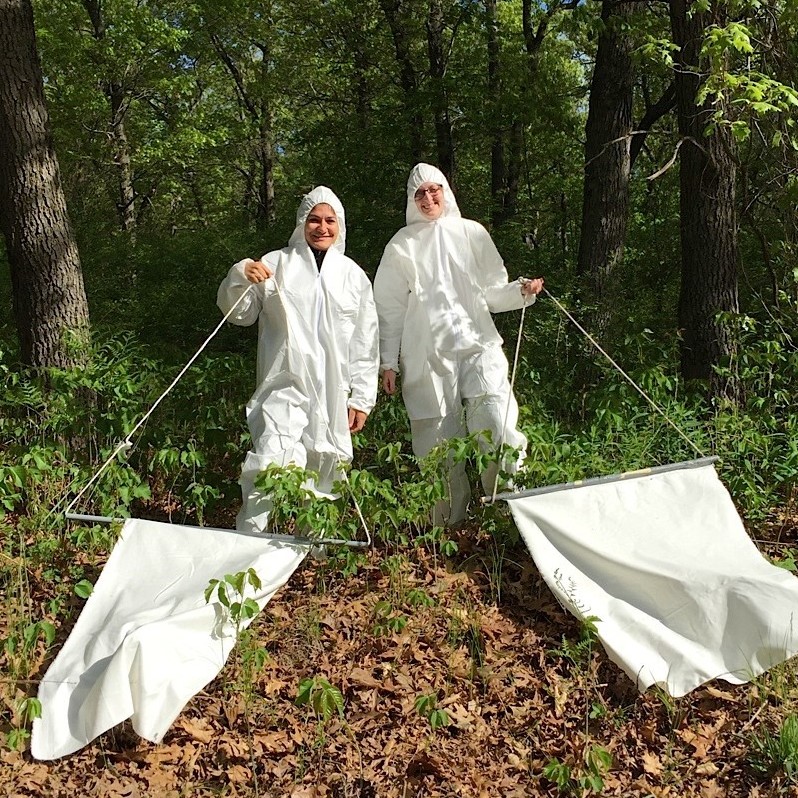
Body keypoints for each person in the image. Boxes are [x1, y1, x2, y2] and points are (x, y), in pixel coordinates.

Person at [373, 163, 544, 526]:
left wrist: (521, 291)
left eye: (434, 189)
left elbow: (494, 292)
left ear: (445, 191)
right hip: (427, 355)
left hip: (478, 344)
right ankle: (448, 528)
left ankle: (508, 516)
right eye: (420, 193)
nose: (428, 198)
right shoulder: (402, 244)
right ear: (411, 200)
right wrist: (388, 361)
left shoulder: (472, 233)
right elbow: (388, 307)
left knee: (497, 425)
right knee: (438, 442)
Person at [217, 186, 379, 534]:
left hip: (333, 392)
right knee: (270, 460)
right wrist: (240, 273)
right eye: (314, 219)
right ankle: (249, 544)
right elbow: (239, 314)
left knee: (325, 467)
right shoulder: (276, 263)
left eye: (329, 221)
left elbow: (365, 342)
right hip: (283, 383)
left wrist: (362, 398)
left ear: (340, 226)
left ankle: (316, 553)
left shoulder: (354, 276)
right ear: (301, 222)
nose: (322, 228)